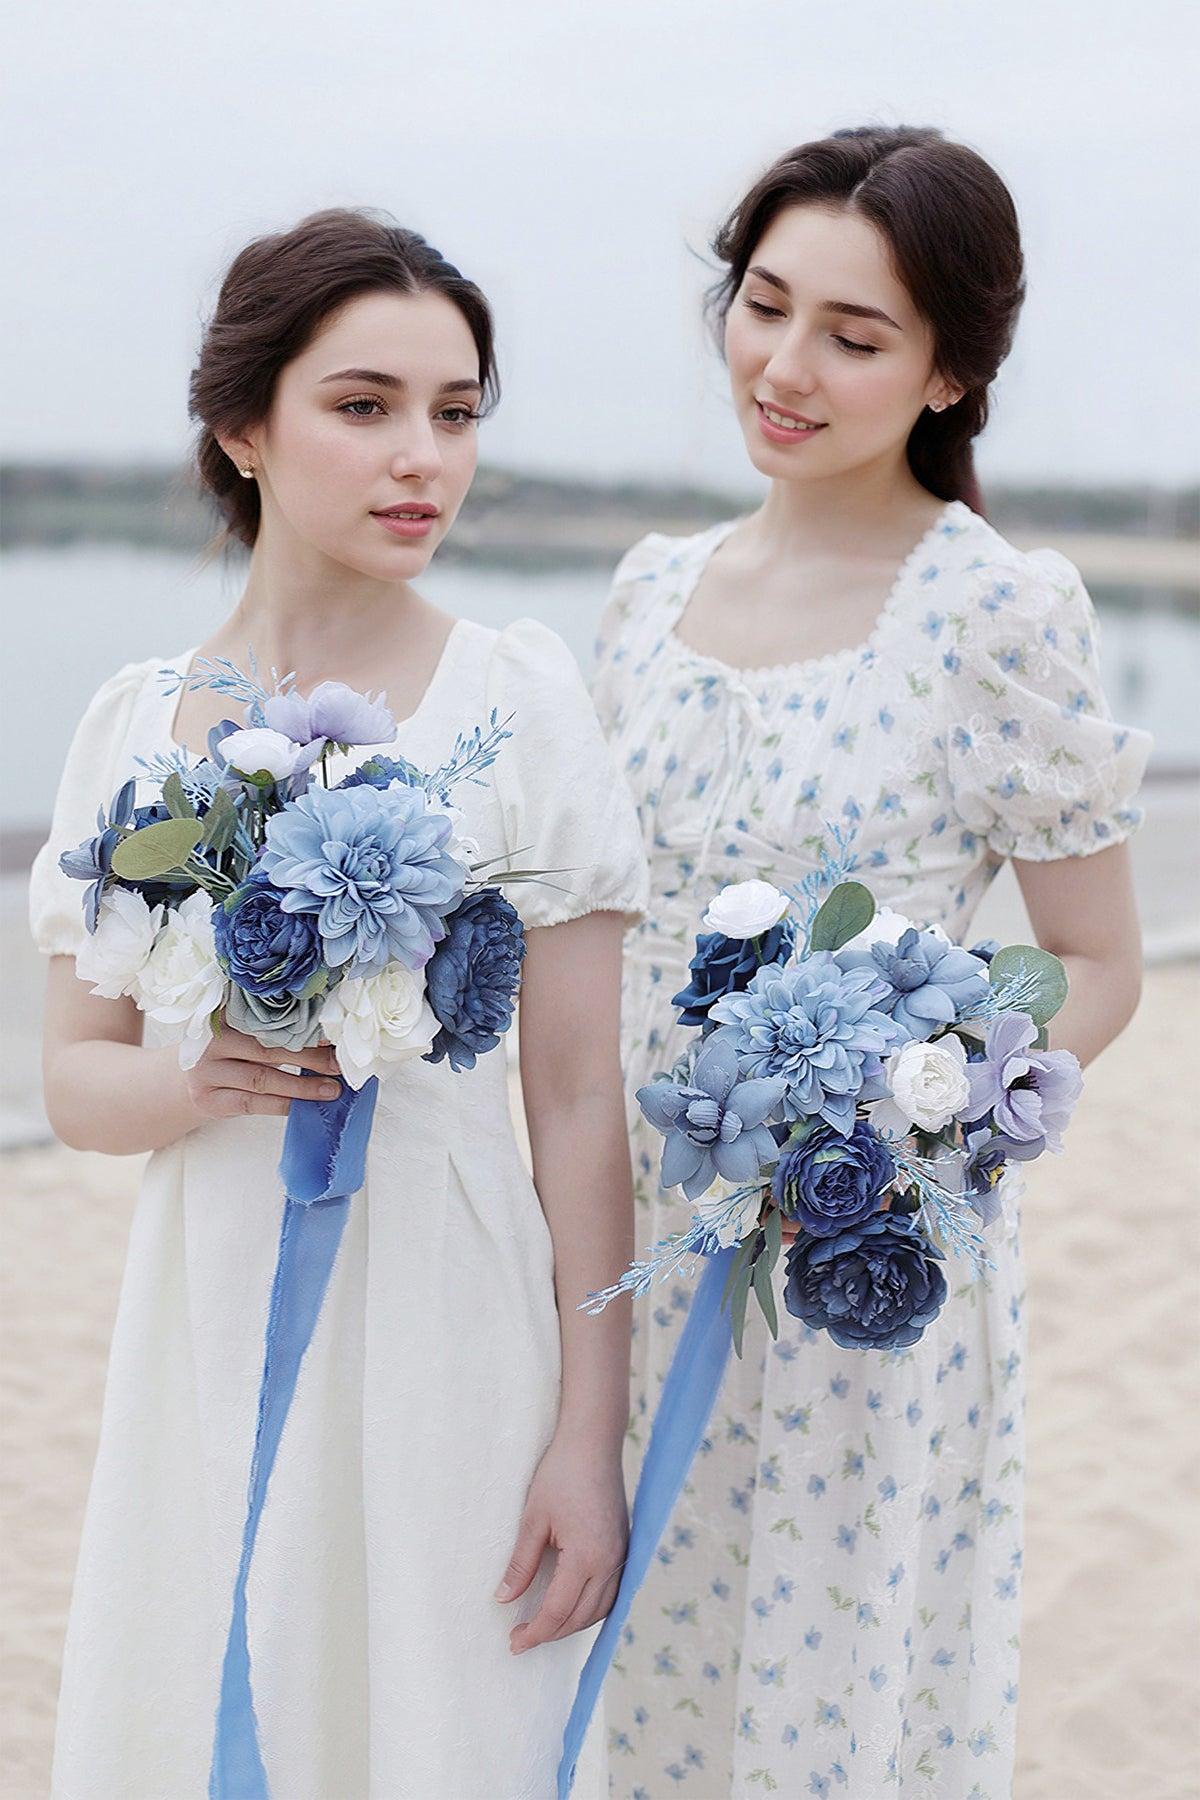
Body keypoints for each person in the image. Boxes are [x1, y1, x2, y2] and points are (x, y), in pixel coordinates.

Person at [31, 207, 646, 1800]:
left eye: (454, 414)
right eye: (364, 406)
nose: (420, 459)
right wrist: (204, 1081)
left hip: (450, 1293)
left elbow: (576, 1104)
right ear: (244, 425)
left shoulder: (518, 701)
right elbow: (74, 1085)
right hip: (210, 1294)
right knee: (209, 1695)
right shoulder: (134, 728)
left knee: (438, 1725)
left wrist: (592, 1433)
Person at [592, 126, 1150, 1797]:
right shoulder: (647, 591)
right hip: (613, 1230)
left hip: (851, 1264)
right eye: (764, 307)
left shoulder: (993, 611)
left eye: (854, 334)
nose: (785, 365)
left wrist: (917, 1119)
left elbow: (1096, 965)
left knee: (820, 1700)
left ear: (949, 372)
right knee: (635, 1682)